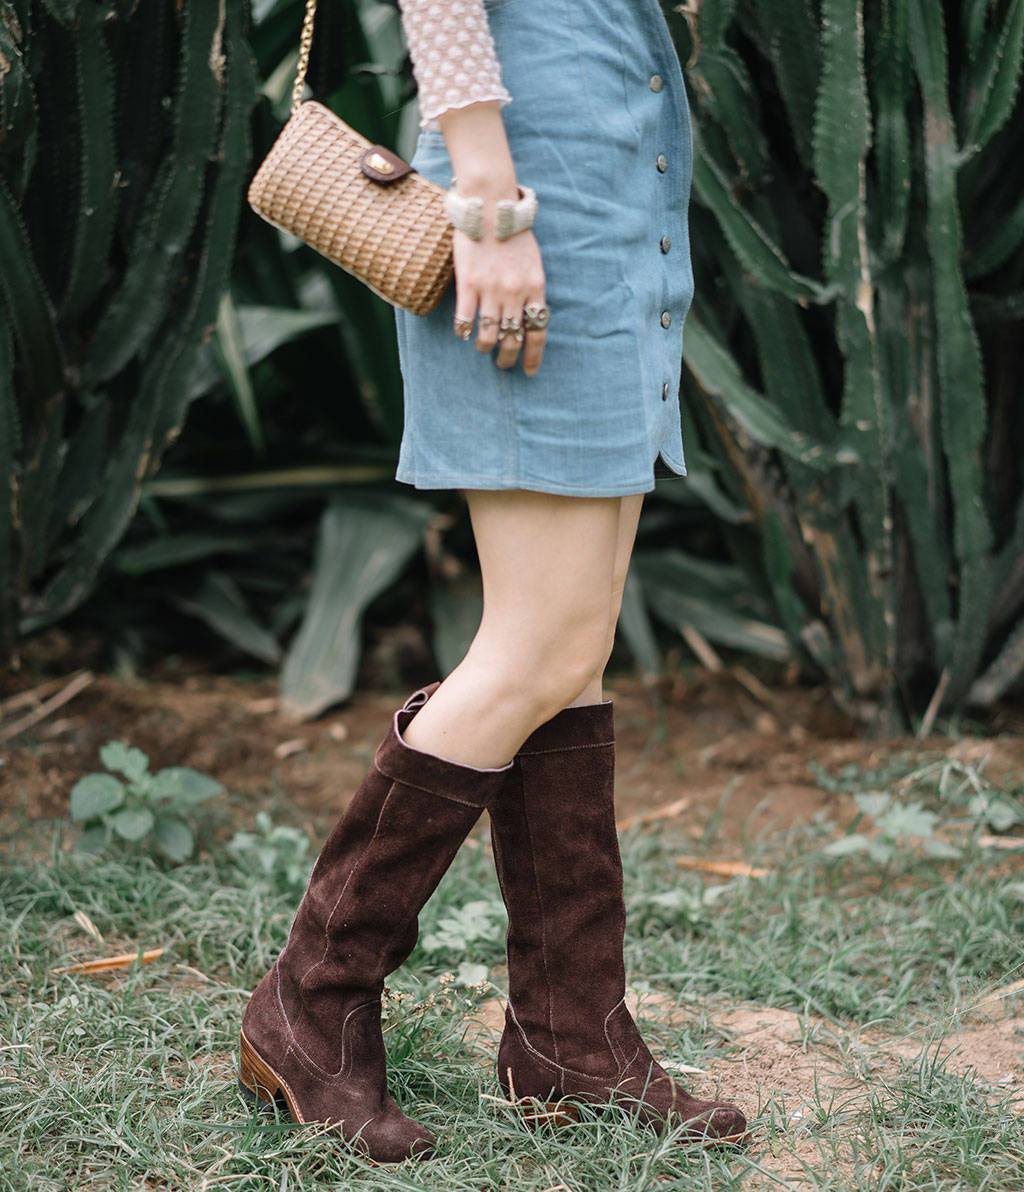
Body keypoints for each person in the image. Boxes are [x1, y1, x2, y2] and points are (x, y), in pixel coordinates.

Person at [238, 0, 747, 1161]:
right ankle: (309, 1002)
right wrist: (489, 203)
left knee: (568, 652)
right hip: (526, 202)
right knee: (534, 648)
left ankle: (569, 1036)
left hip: (613, 196)